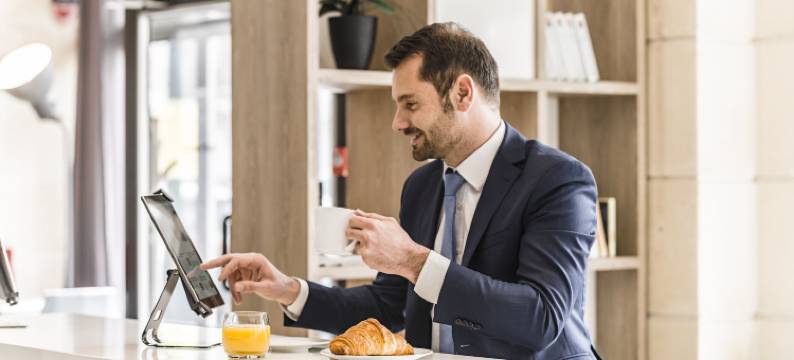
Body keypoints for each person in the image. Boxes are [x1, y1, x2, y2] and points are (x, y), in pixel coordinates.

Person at [202, 22, 601, 360]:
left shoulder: (558, 180)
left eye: (409, 104)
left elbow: (541, 319)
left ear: (462, 94)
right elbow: (390, 305)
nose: (397, 122)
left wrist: (412, 260)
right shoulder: (423, 186)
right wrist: (288, 289)